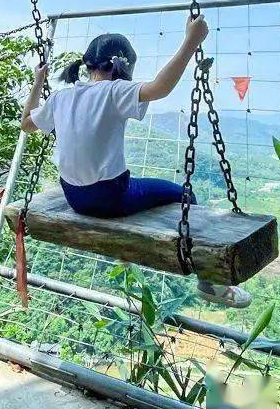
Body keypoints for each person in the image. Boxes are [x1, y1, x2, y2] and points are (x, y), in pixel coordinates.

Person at [20, 17, 252, 308]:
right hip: (110, 197)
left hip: (74, 196)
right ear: (122, 65)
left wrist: (38, 81)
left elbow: (26, 124)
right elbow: (160, 88)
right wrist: (191, 42)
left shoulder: (60, 97)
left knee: (139, 186)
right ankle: (211, 284)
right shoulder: (115, 90)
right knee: (185, 195)